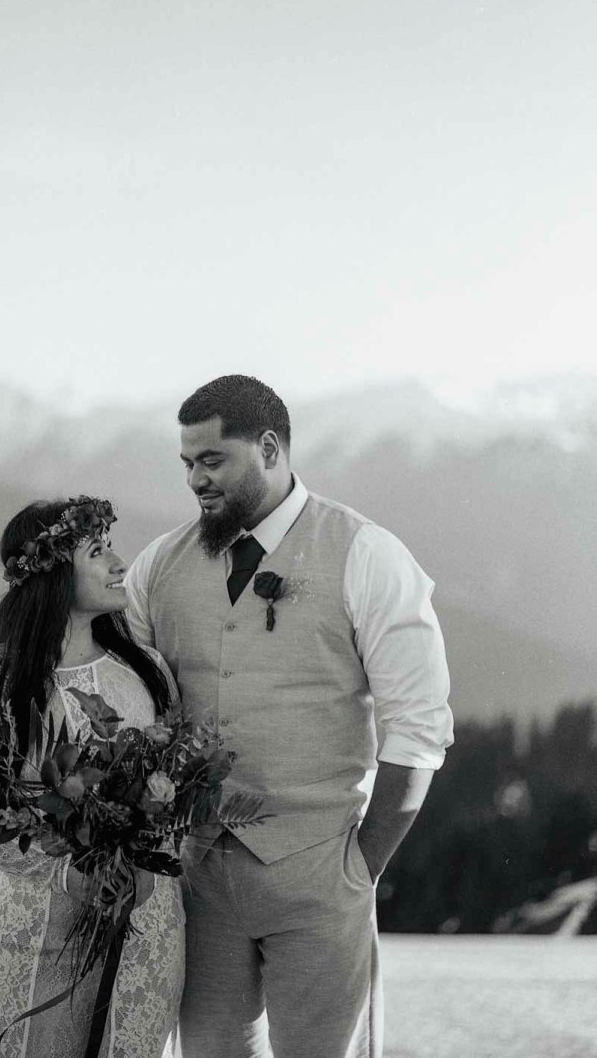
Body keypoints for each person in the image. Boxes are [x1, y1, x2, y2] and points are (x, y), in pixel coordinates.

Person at [123, 375, 454, 1058]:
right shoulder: (158, 566)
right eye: (186, 462)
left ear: (269, 448)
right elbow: (118, 706)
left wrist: (360, 866)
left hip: (320, 869)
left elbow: (418, 725)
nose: (195, 480)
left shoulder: (366, 554)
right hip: (197, 876)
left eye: (211, 459)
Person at [0, 496, 185, 1058]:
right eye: (98, 552)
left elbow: (174, 791)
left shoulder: (147, 672)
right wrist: (64, 872)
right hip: (32, 929)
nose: (120, 564)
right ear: (51, 573)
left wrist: (146, 856)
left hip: (143, 922)